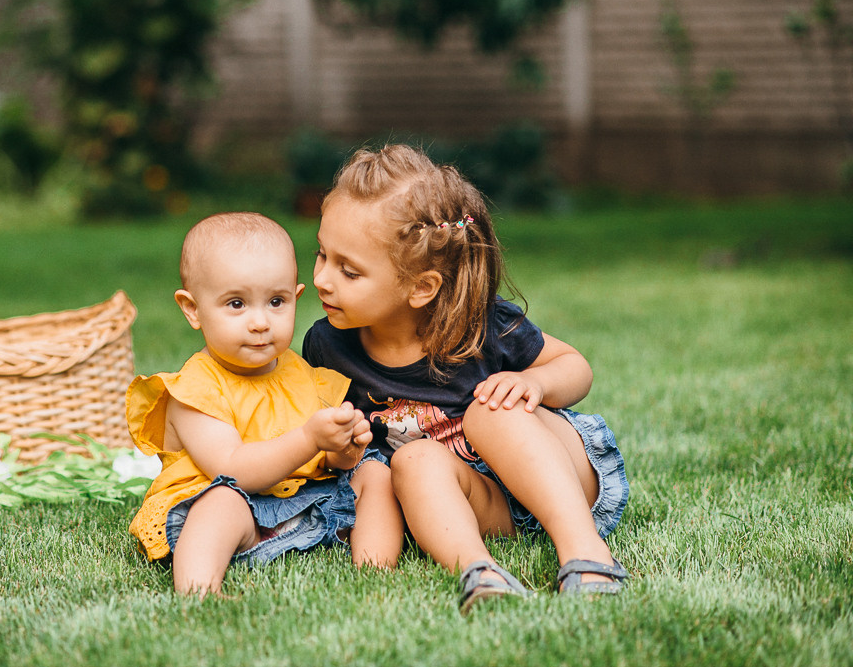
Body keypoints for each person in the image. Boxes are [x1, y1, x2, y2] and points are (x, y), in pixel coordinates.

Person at [303, 144, 629, 613]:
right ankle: (481, 571)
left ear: (421, 287)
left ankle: (586, 551)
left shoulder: (479, 324)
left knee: (489, 413)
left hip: (560, 476)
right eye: (321, 255)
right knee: (412, 459)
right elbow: (338, 454)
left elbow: (576, 367)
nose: (322, 279)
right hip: (485, 504)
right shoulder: (328, 346)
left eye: (349, 271)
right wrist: (341, 447)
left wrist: (536, 384)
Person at [127, 212, 404, 596]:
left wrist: (342, 448)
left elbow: (324, 463)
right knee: (221, 502)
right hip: (228, 512)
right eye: (236, 304)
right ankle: (199, 590)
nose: (260, 322)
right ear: (193, 309)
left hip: (301, 503)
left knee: (374, 472)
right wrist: (310, 438)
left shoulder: (299, 371)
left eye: (276, 301)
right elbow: (234, 471)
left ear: (296, 298)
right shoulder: (194, 390)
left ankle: (375, 572)